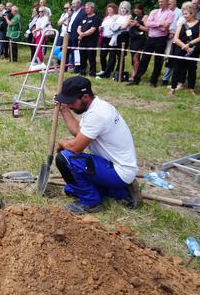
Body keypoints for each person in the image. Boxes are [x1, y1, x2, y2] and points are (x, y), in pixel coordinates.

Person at [55, 76, 140, 214]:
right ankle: (121, 192)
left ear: (85, 97)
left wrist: (63, 143)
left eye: (71, 102)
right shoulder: (97, 107)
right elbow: (78, 132)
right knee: (71, 189)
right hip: (114, 166)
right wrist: (64, 109)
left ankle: (90, 202)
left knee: (65, 159)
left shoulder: (98, 114)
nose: (70, 105)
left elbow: (76, 148)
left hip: (118, 170)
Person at [127, 0, 174, 87]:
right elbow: (148, 24)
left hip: (161, 39)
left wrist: (156, 24)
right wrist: (160, 24)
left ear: (167, 2)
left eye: (162, 0)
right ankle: (136, 79)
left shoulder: (170, 14)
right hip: (151, 38)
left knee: (158, 60)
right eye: (159, 0)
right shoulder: (154, 11)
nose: (160, 2)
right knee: (144, 59)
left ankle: (153, 81)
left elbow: (165, 28)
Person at [170, 2, 200, 95]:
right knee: (176, 68)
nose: (184, 16)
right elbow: (176, 38)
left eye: (186, 14)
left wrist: (189, 44)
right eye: (183, 13)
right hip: (180, 48)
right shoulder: (181, 24)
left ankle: (191, 88)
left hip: (193, 48)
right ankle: (173, 88)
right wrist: (184, 46)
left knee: (192, 68)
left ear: (192, 13)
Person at [99, 1, 131, 80]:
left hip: (123, 36)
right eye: (122, 8)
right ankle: (107, 73)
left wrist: (116, 27)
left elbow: (124, 26)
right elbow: (110, 26)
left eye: (125, 8)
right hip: (114, 37)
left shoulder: (129, 16)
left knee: (120, 56)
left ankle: (118, 74)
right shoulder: (116, 16)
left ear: (127, 9)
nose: (123, 10)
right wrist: (116, 27)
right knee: (112, 56)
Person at [77, 2, 100, 76]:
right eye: (85, 8)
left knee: (91, 57)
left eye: (88, 8)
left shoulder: (96, 18)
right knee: (82, 57)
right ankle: (82, 71)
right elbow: (79, 27)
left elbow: (92, 30)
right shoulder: (84, 16)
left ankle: (92, 73)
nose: (86, 10)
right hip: (82, 41)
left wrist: (82, 34)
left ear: (92, 8)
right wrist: (80, 33)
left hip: (91, 41)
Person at [128, 3, 148, 79]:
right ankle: (134, 72)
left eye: (138, 8)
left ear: (142, 10)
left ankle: (135, 75)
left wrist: (137, 25)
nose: (136, 10)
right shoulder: (135, 17)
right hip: (133, 39)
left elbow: (147, 29)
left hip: (140, 39)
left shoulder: (145, 17)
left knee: (136, 57)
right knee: (133, 57)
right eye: (135, 8)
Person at [67, 0, 87, 70]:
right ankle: (71, 65)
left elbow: (83, 25)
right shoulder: (73, 12)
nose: (72, 5)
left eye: (74, 4)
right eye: (72, 4)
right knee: (70, 51)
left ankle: (77, 67)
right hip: (69, 33)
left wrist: (80, 35)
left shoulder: (83, 13)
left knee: (76, 51)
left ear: (79, 4)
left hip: (76, 34)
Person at [98, 3, 117, 74]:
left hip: (112, 37)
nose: (108, 10)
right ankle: (103, 69)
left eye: (110, 9)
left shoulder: (116, 17)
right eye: (108, 9)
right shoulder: (106, 18)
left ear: (114, 9)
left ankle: (109, 71)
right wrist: (100, 28)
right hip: (104, 37)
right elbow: (103, 26)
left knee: (112, 56)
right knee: (102, 54)